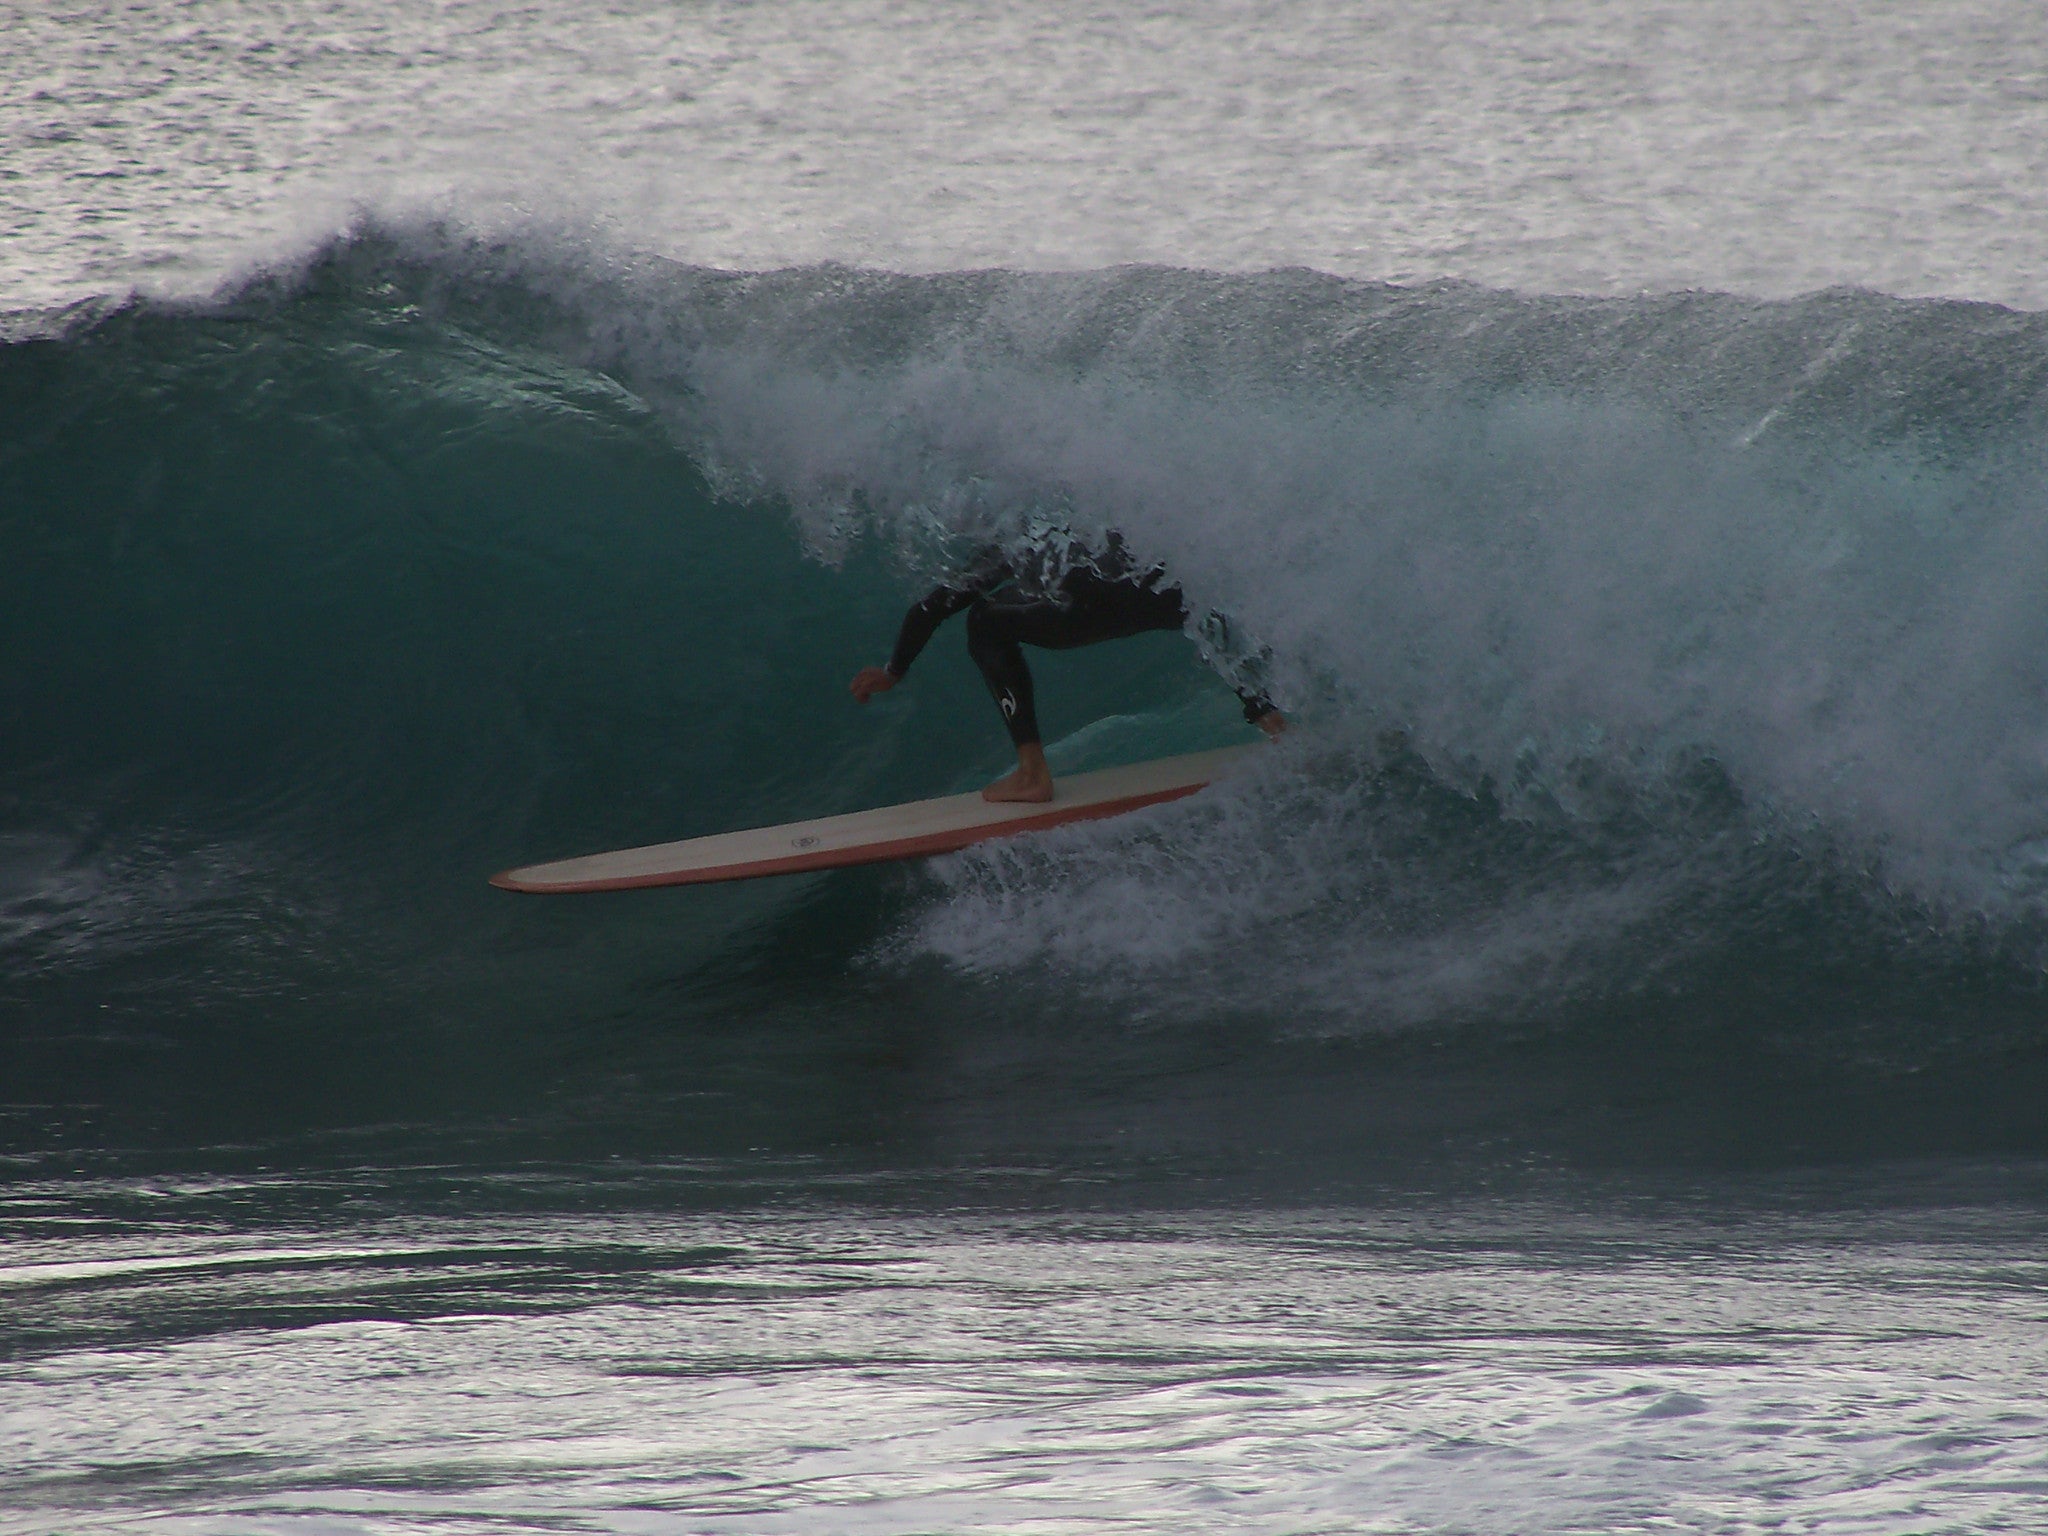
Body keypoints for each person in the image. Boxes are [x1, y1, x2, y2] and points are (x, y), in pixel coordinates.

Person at [850, 531, 1286, 802]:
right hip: (1141, 587)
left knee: (983, 619)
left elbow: (935, 605)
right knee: (1195, 601)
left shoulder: (1010, 536)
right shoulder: (1090, 517)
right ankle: (1274, 724)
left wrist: (894, 671)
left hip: (1086, 602)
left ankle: (1032, 774)